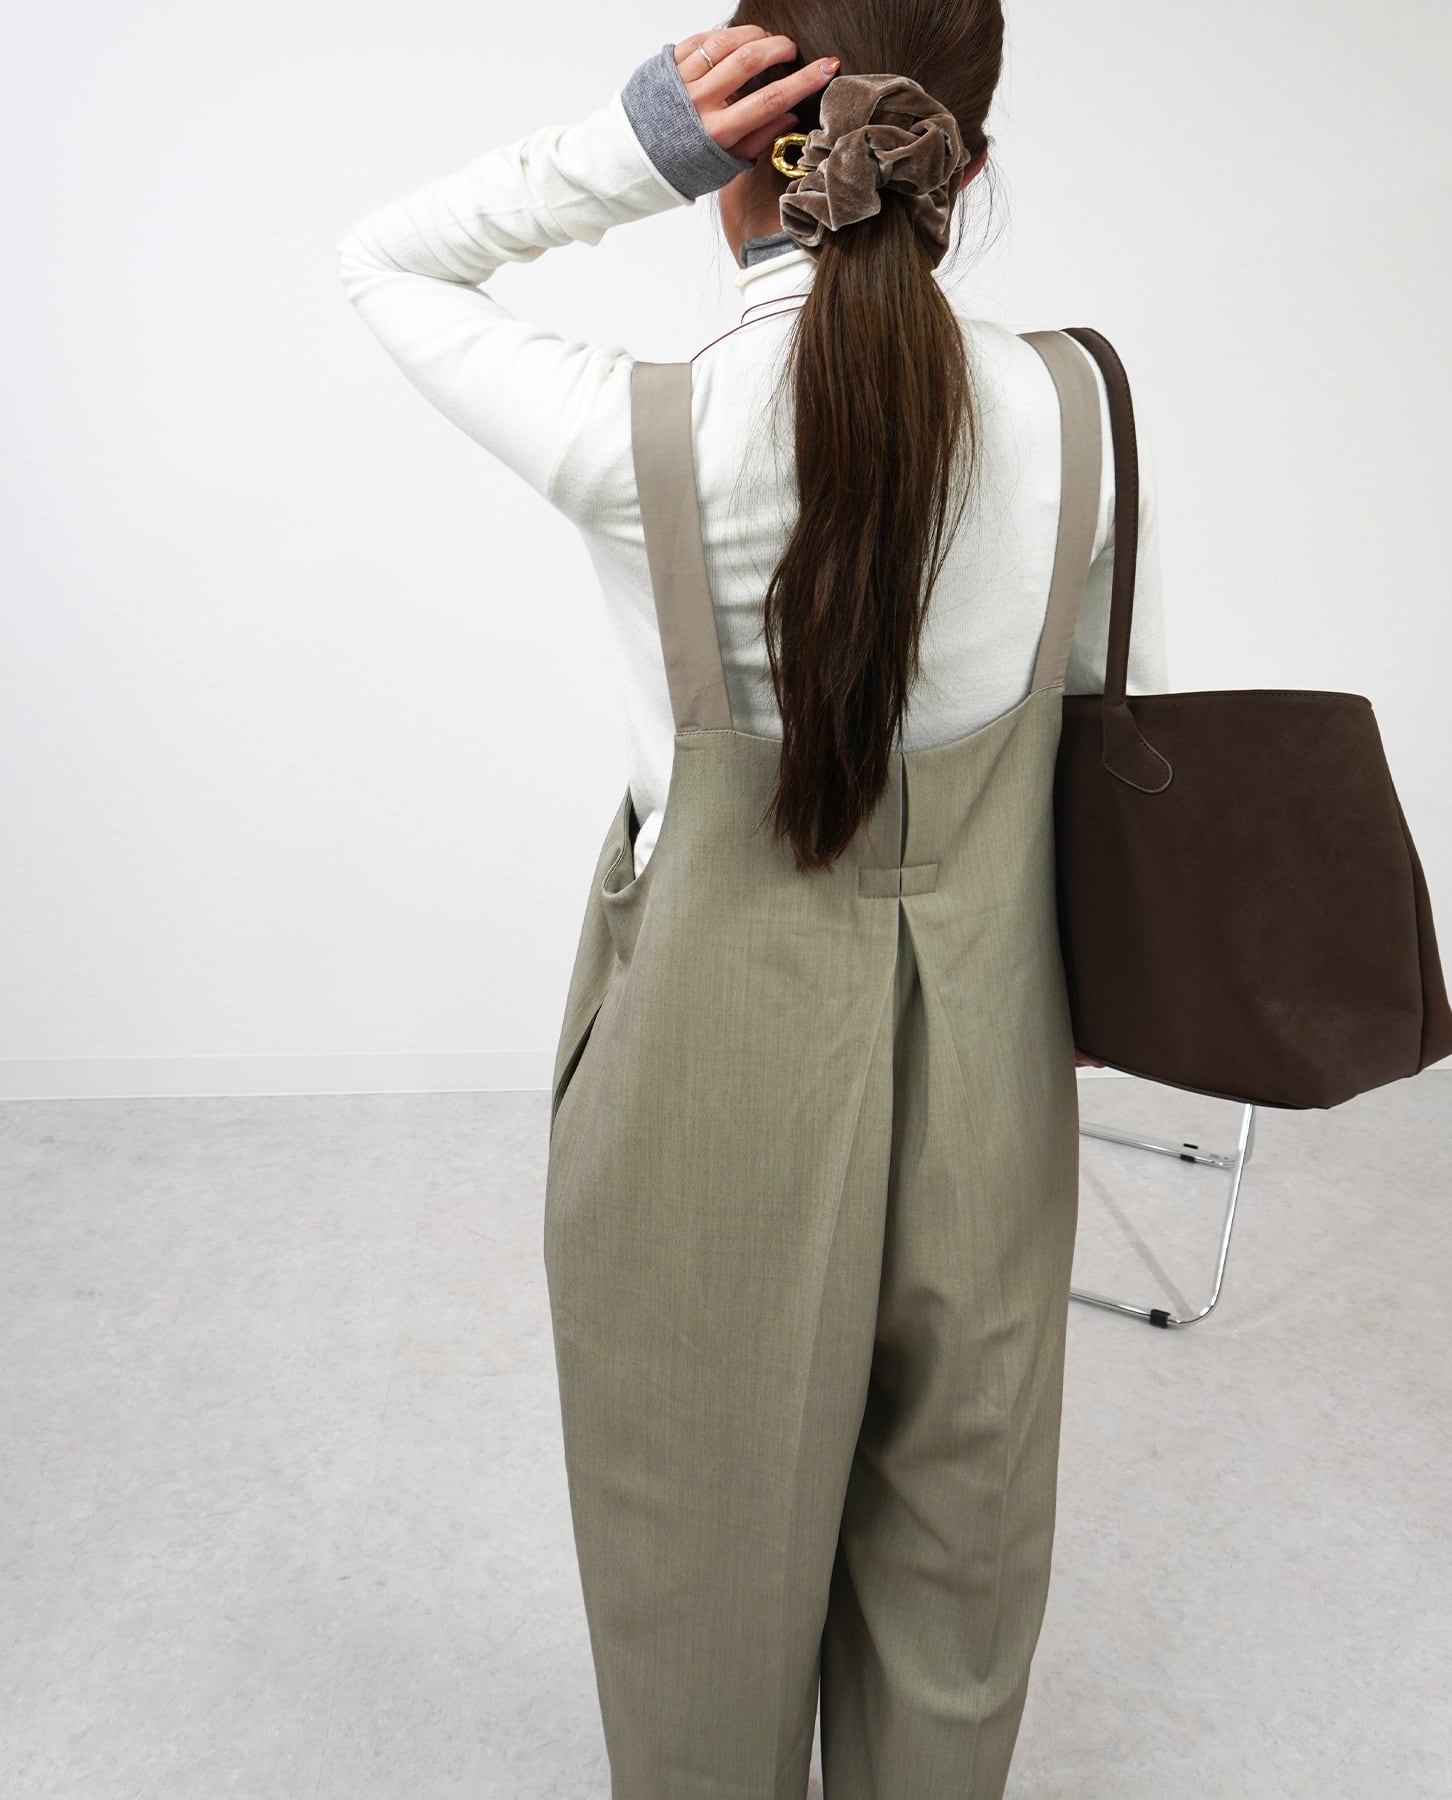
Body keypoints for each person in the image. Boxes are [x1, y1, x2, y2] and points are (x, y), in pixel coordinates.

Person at [338, 8, 1167, 1794]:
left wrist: (620, 148)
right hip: (996, 1041)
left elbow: (385, 262)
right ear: (966, 166)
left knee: (695, 1572)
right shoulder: (1080, 407)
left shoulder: (641, 431)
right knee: (962, 1557)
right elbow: (1114, 723)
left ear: (739, 152)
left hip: (708, 1064)